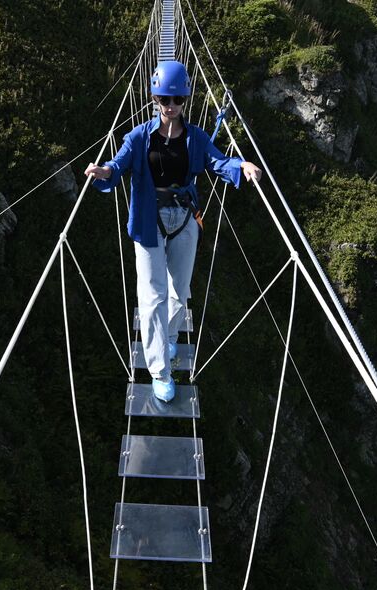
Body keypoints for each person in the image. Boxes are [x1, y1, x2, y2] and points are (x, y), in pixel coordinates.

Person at [85, 60, 263, 402]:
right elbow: (119, 163)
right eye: (164, 100)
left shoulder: (195, 137)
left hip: (184, 219)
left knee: (179, 293)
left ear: (185, 100)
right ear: (154, 100)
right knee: (152, 298)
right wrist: (105, 171)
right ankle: (159, 371)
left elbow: (216, 161)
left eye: (177, 100)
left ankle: (168, 337)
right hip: (148, 221)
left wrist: (240, 165)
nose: (171, 107)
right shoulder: (139, 137)